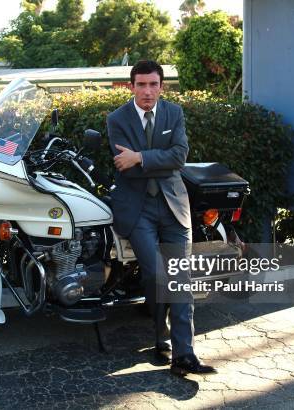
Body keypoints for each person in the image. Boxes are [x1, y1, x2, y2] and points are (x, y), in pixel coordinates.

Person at [107, 60, 216, 376]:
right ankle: (161, 336)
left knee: (180, 279)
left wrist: (140, 157)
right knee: (157, 276)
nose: (147, 91)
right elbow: (121, 163)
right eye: (141, 85)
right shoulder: (117, 119)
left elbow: (179, 156)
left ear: (161, 86)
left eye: (153, 84)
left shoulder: (174, 113)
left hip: (173, 206)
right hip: (137, 208)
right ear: (132, 87)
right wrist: (157, 160)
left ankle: (184, 355)